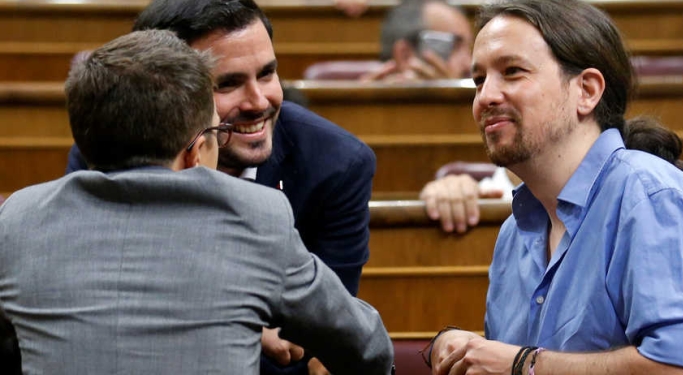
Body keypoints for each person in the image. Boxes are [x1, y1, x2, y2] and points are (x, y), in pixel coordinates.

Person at [0, 29, 393, 375]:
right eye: (214, 131)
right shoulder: (257, 215)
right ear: (194, 154)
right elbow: (366, 349)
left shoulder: (17, 218)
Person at [426, 1, 683, 374]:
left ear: (586, 90)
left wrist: (523, 364)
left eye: (512, 72)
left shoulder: (651, 197)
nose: (485, 98)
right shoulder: (514, 232)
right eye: (479, 80)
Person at [361, 0, 473, 82]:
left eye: (469, 48)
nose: (469, 64)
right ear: (405, 55)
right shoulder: (359, 106)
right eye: (455, 47)